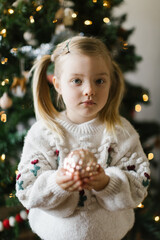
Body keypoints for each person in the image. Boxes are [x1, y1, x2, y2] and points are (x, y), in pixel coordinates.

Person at [16, 36, 150, 240]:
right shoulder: (43, 133)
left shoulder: (121, 131)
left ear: (110, 83)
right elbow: (26, 188)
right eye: (77, 81)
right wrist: (57, 183)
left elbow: (139, 184)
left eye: (99, 81)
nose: (89, 91)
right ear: (58, 85)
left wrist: (106, 182)